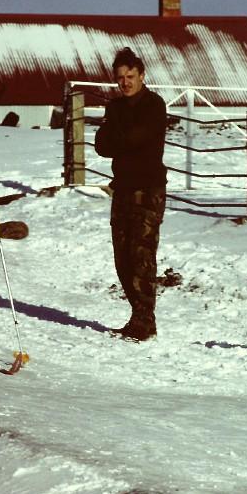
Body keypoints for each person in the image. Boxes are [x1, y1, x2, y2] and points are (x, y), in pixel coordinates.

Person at [94, 47, 168, 342]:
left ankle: (144, 319)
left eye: (131, 76)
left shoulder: (154, 105)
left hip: (147, 189)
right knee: (122, 258)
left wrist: (118, 136)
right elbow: (102, 145)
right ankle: (137, 314)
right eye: (120, 78)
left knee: (142, 255)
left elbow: (135, 139)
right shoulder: (115, 108)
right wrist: (119, 136)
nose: (125, 83)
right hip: (122, 189)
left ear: (142, 76)